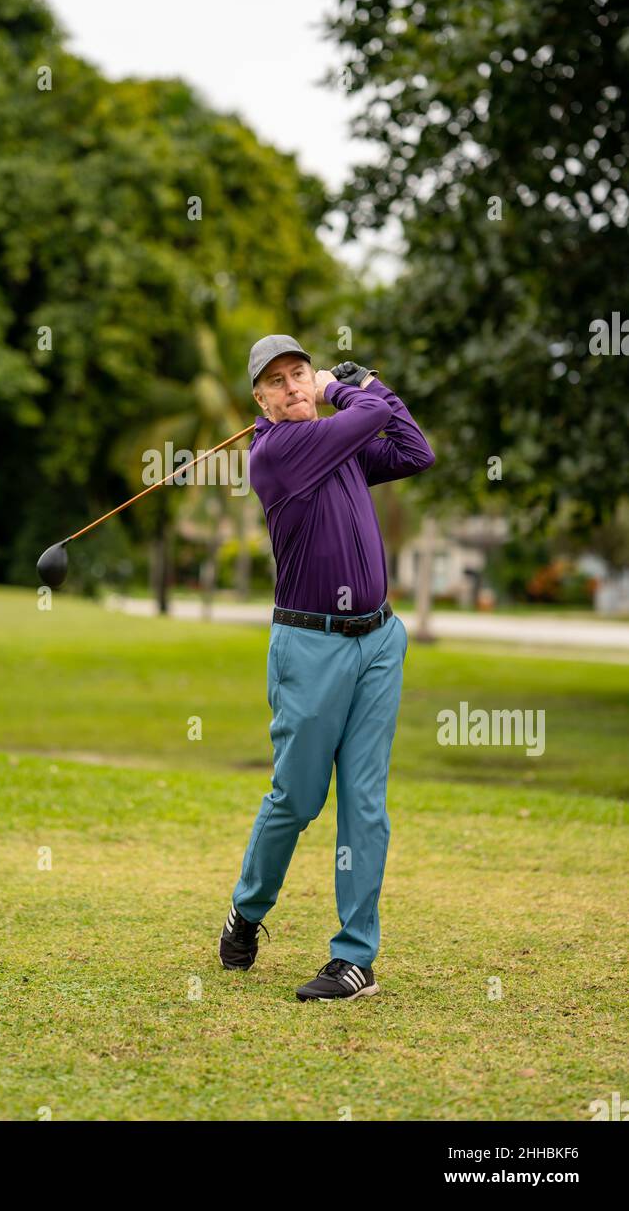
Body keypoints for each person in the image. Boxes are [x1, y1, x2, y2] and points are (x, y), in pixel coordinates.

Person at [219, 334, 435, 1001]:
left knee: (365, 802)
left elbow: (413, 450)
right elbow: (371, 417)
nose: (292, 387)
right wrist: (351, 386)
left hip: (378, 641)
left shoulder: (334, 443)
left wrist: (359, 388)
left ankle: (354, 960)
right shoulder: (278, 453)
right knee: (298, 797)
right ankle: (248, 910)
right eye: (277, 383)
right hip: (309, 649)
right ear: (260, 400)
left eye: (300, 373)